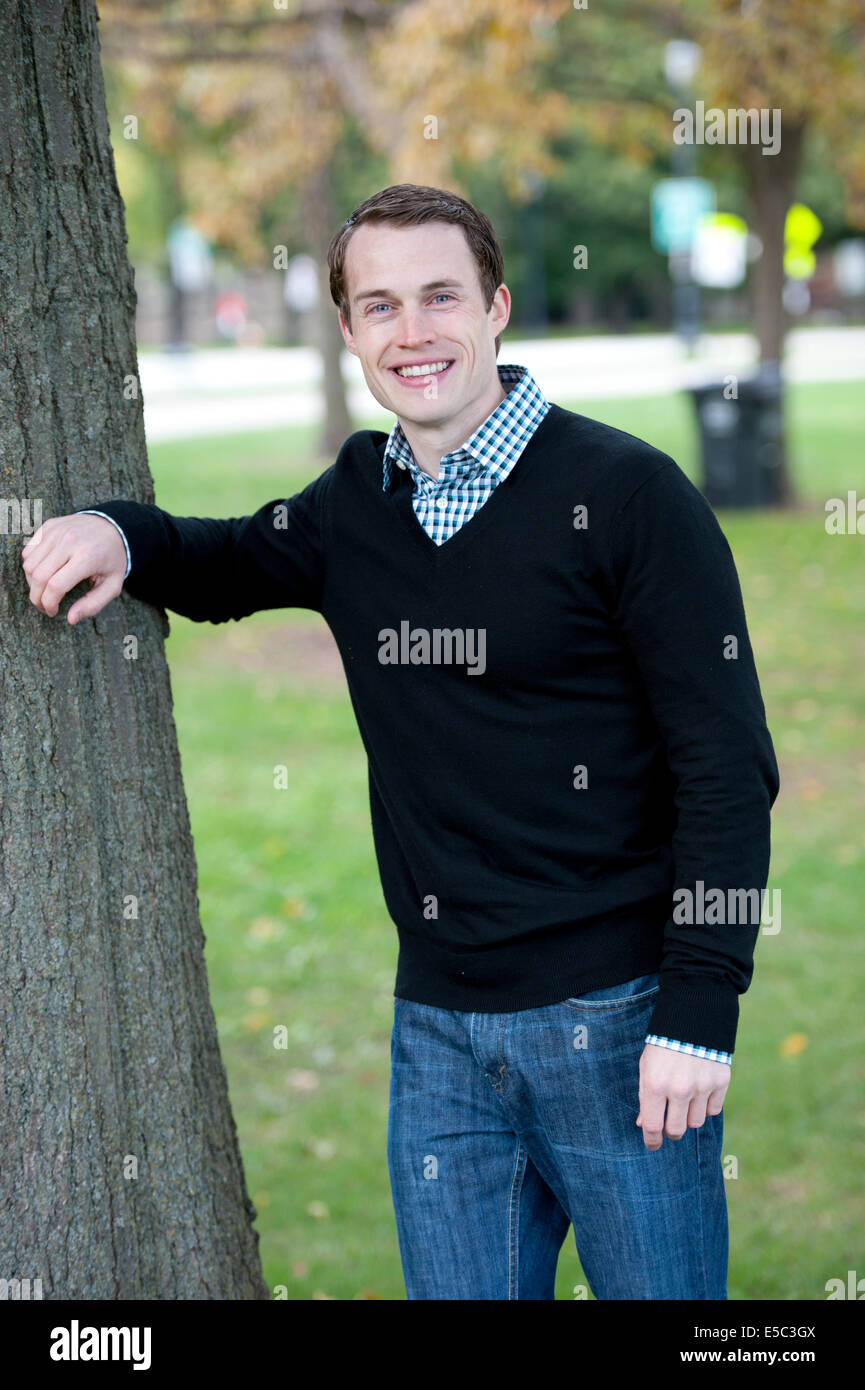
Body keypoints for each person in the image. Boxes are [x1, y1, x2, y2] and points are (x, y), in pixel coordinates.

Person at [20, 182, 780, 1300]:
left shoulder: (627, 496)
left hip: (618, 1025)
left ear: (497, 307)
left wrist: (701, 1008)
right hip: (439, 1040)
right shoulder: (355, 503)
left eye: (439, 297)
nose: (411, 332)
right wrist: (115, 532)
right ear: (347, 332)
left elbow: (728, 765)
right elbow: (224, 559)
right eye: (378, 307)